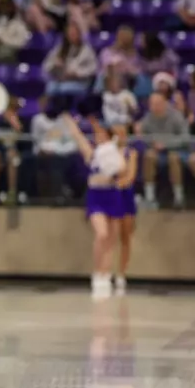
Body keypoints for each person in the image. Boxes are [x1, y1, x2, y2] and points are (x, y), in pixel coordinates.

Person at [65, 117, 136, 297]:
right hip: (96, 196)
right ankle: (97, 272)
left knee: (111, 238)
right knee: (102, 234)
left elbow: (124, 172)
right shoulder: (92, 152)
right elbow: (78, 137)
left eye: (103, 135)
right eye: (98, 135)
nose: (99, 137)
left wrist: (117, 154)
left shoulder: (117, 152)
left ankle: (106, 273)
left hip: (112, 194)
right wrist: (68, 120)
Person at [138, 89, 189, 208]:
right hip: (156, 151)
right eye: (152, 104)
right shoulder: (148, 117)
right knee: (148, 156)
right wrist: (151, 142)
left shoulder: (176, 116)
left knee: (173, 158)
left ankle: (179, 197)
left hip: (177, 150)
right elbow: (144, 136)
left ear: (165, 103)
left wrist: (166, 144)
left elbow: (185, 138)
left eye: (157, 104)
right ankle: (150, 198)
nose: (154, 107)